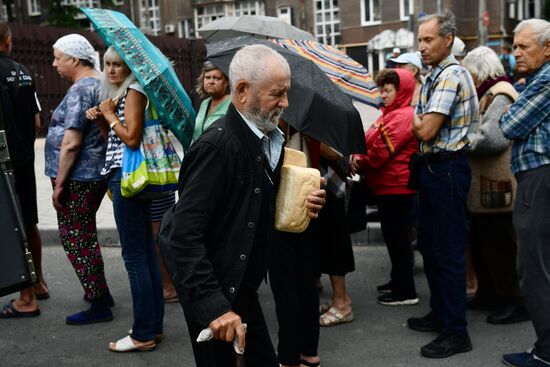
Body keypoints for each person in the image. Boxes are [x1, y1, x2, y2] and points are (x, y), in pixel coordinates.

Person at [167, 44, 325, 367]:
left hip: (240, 290)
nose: (285, 103)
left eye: (286, 93)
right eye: (277, 94)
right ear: (242, 91)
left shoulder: (266, 138)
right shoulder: (217, 146)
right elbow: (180, 235)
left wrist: (299, 201)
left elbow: (252, 201)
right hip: (216, 295)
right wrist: (214, 306)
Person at [409, 10, 479, 358]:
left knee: (448, 252)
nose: (421, 46)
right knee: (433, 248)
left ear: (447, 39)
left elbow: (423, 130)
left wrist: (416, 113)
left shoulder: (451, 75)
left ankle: (456, 331)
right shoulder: (436, 75)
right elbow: (417, 122)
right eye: (419, 40)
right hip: (434, 169)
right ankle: (441, 314)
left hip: (447, 169)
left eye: (428, 39)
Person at [85, 46, 163, 352]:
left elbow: (131, 138)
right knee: (145, 252)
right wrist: (102, 119)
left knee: (135, 259)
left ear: (128, 66)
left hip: (127, 178)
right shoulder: (124, 92)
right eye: (107, 64)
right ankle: (152, 327)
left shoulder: (133, 90)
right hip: (129, 175)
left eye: (118, 64)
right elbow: (115, 138)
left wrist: (108, 113)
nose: (112, 70)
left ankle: (143, 333)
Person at [43, 34, 114, 325]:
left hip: (78, 176)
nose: (54, 64)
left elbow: (72, 142)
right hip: (90, 174)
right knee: (83, 232)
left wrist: (59, 184)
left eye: (58, 58)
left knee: (75, 237)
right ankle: (101, 293)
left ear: (74, 59)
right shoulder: (97, 82)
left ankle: (98, 304)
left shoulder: (81, 88)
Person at [462, 46, 528, 325]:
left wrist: (461, 141)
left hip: (496, 185)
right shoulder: (490, 92)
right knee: (483, 243)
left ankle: (514, 301)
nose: (469, 78)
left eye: (471, 72)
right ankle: (489, 294)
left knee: (500, 246)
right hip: (486, 184)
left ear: (480, 71)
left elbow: (493, 138)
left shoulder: (500, 93)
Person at [499, 18, 550, 367]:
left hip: (539, 177)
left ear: (547, 48)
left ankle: (546, 353)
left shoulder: (545, 80)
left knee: (533, 268)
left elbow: (509, 124)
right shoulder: (536, 80)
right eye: (514, 46)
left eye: (523, 46)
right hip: (538, 177)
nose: (516, 52)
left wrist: (507, 102)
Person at [350, 68, 419, 306]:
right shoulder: (389, 113)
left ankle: (405, 291)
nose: (383, 94)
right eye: (382, 89)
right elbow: (371, 142)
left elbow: (381, 152)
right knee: (394, 239)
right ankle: (397, 280)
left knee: (399, 240)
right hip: (387, 185)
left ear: (402, 91)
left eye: (389, 90)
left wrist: (360, 161)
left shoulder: (403, 116)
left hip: (397, 186)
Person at [0, 21, 47, 318]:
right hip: (25, 158)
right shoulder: (23, 71)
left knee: (9, 222)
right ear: (7, 40)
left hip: (3, 162)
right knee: (28, 220)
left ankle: (26, 297)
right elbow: (37, 121)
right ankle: (38, 282)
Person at [315, 144, 355, 327]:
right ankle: (335, 298)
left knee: (335, 242)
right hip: (321, 184)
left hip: (332, 187)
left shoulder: (330, 118)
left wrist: (311, 138)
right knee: (324, 240)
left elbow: (335, 152)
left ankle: (342, 303)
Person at [192, 60, 231, 142]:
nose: (211, 82)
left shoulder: (232, 103)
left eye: (217, 78)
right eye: (207, 77)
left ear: (227, 82)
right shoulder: (205, 103)